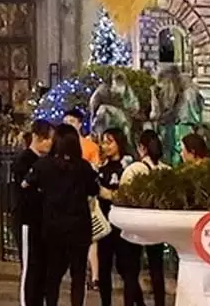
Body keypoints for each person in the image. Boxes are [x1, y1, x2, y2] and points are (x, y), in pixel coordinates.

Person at [25, 124, 99, 306]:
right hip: (79, 228)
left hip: (53, 227)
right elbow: (94, 189)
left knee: (53, 275)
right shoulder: (83, 167)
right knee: (78, 275)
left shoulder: (43, 166)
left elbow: (26, 184)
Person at [116, 132, 167, 306]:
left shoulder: (134, 170)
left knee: (131, 271)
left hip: (135, 226)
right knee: (156, 269)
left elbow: (122, 196)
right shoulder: (165, 170)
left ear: (141, 148)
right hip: (158, 226)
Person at [15, 120, 55, 306]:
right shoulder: (25, 159)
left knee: (42, 270)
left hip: (43, 223)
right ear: (38, 138)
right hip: (28, 222)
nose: (51, 144)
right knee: (31, 270)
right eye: (48, 139)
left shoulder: (46, 161)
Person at [91, 129, 131, 306]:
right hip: (105, 225)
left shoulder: (128, 167)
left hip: (124, 225)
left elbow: (128, 194)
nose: (105, 146)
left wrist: (110, 195)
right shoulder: (102, 168)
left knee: (127, 269)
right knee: (104, 267)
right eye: (103, 142)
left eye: (109, 142)